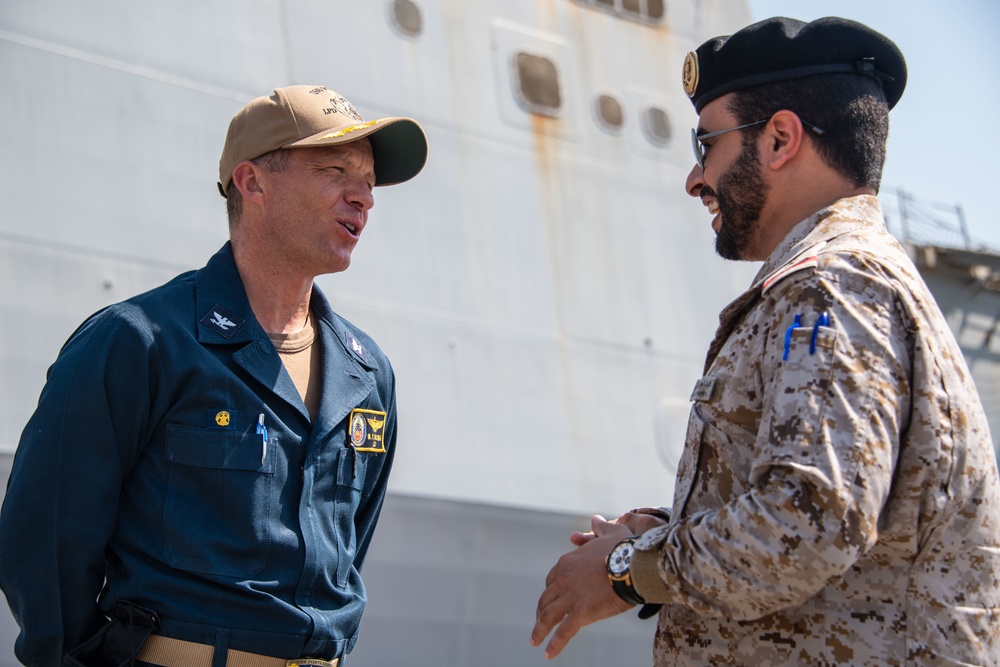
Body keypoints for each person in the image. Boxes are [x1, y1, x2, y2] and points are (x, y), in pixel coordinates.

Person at [531, 17, 1000, 666]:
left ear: (780, 138)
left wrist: (625, 571)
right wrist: (661, 534)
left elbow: (807, 523)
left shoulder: (833, 284)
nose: (696, 179)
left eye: (707, 146)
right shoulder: (848, 277)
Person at [0, 85, 427, 667]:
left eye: (370, 183)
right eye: (335, 170)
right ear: (252, 183)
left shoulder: (368, 373)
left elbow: (347, 553)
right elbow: (42, 544)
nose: (363, 198)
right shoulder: (140, 341)